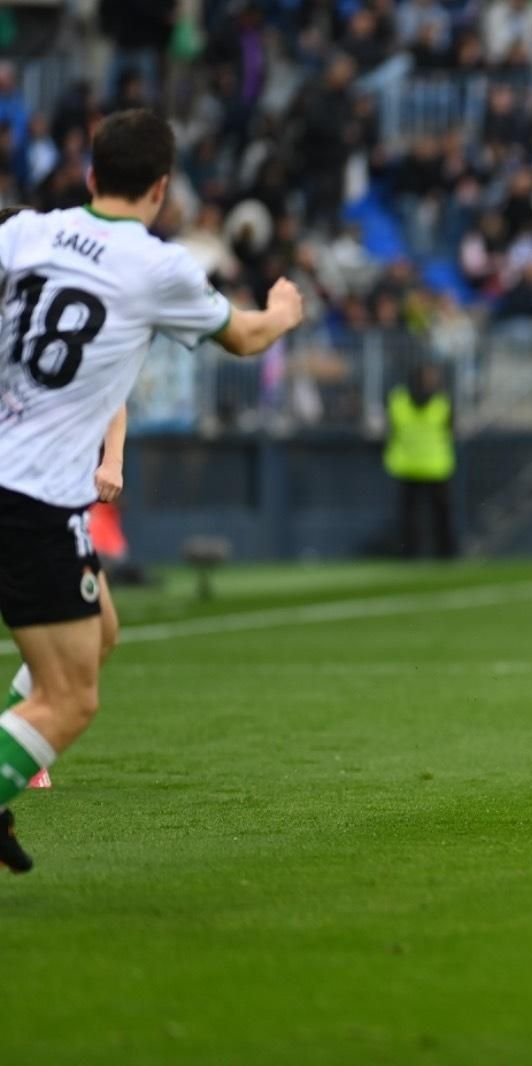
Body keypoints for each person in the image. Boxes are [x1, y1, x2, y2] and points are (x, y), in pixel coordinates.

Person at [0, 108, 304, 873]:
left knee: (99, 633)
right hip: (32, 499)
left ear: (89, 172)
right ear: (162, 189)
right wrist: (283, 311)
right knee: (71, 700)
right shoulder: (156, 267)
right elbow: (245, 338)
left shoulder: (26, 233)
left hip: (28, 489)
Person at [3, 392, 127, 791]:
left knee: (102, 632)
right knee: (73, 692)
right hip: (27, 497)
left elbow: (111, 390)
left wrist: (112, 460)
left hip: (55, 500)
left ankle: (18, 731)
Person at [384, 362, 458, 559]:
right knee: (434, 515)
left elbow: (390, 428)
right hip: (433, 466)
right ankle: (444, 553)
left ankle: (414, 553)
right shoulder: (442, 403)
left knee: (415, 516)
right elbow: (451, 430)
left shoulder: (397, 401)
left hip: (412, 465)